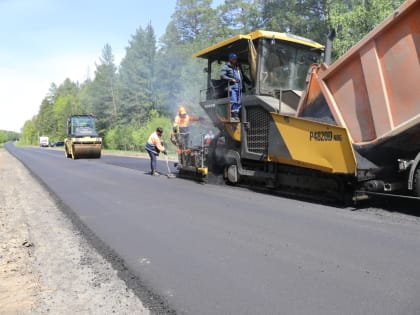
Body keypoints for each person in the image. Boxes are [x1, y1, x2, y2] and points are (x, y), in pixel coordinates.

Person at [220, 52, 250, 121]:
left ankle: (235, 115)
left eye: (235, 59)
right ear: (230, 59)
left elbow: (243, 77)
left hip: (240, 87)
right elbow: (222, 75)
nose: (235, 60)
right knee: (233, 101)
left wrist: (250, 82)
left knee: (239, 101)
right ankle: (231, 115)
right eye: (233, 59)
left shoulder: (238, 68)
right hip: (232, 87)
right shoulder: (226, 67)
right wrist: (231, 79)